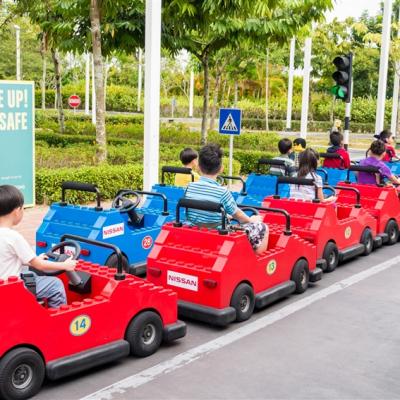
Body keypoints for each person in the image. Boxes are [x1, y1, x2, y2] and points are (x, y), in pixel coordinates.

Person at [0, 185, 77, 308]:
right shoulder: (13, 237)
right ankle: (57, 322)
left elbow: (7, 258)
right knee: (55, 284)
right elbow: (40, 266)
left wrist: (34, 259)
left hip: (4, 286)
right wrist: (65, 265)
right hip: (11, 290)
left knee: (33, 276)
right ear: (17, 211)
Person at [184, 144, 269, 254]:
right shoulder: (223, 192)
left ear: (199, 167)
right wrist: (252, 220)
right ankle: (257, 266)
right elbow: (239, 216)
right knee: (262, 228)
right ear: (221, 168)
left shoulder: (189, 187)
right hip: (218, 234)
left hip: (194, 230)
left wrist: (225, 215)